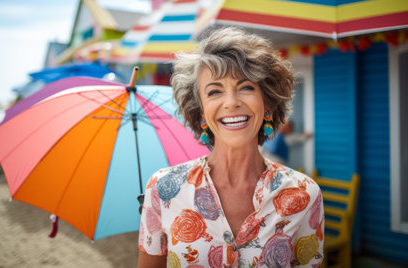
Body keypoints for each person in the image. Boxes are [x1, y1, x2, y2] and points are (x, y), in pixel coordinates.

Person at [138, 27, 324, 267]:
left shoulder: (304, 194)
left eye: (246, 87)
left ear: (267, 102)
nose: (231, 102)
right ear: (201, 111)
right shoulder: (162, 189)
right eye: (214, 91)